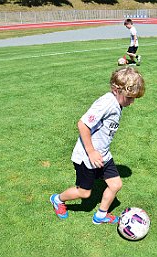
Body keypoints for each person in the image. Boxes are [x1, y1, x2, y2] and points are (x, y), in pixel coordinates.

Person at [50, 67, 145, 224]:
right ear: (116, 89)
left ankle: (100, 216)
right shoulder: (107, 103)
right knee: (84, 193)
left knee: (115, 184)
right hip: (86, 157)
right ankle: (57, 200)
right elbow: (82, 124)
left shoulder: (117, 102)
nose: (132, 102)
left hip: (103, 155)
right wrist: (92, 152)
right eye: (129, 97)